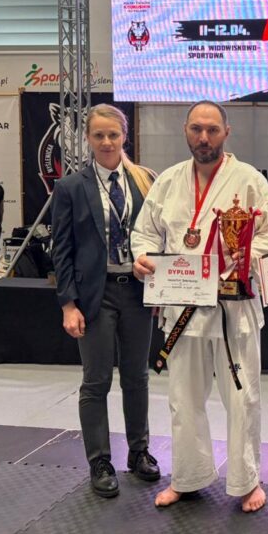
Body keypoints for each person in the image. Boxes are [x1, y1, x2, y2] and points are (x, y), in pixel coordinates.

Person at [132, 100, 268, 512]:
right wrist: (142, 256)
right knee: (183, 399)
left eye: (212, 130)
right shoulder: (167, 181)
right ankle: (188, 476)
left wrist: (246, 255)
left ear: (226, 132)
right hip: (182, 307)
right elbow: (145, 233)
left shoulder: (248, 179)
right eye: (197, 129)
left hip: (233, 307)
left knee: (242, 397)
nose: (204, 138)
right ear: (185, 130)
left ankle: (247, 480)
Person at [50, 104, 159, 498]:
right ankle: (99, 460)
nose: (107, 142)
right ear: (88, 139)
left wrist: (164, 286)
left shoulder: (147, 181)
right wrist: (68, 304)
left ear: (124, 136)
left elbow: (160, 236)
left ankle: (139, 451)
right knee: (96, 380)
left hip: (138, 291)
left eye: (113, 134)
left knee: (137, 377)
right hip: (95, 294)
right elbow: (61, 249)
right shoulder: (70, 187)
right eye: (99, 135)